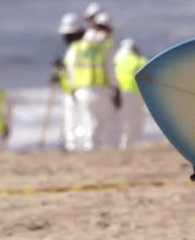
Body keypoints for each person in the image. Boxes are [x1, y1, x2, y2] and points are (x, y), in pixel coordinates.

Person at [63, 12, 119, 151]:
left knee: (87, 122)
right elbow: (110, 70)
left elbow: (70, 68)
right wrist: (116, 89)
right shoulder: (106, 45)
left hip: (81, 89)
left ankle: (85, 148)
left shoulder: (77, 47)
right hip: (101, 89)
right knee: (106, 123)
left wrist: (72, 88)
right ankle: (102, 150)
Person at [53, 12, 85, 151]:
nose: (65, 38)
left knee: (77, 122)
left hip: (77, 92)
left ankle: (77, 146)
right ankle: (74, 145)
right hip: (72, 91)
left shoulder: (79, 49)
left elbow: (77, 72)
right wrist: (61, 71)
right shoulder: (73, 50)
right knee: (72, 122)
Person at [113, 38, 148, 148]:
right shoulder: (139, 60)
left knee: (120, 121)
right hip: (134, 95)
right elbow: (147, 79)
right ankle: (133, 144)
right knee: (135, 122)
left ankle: (121, 145)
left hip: (116, 94)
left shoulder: (115, 59)